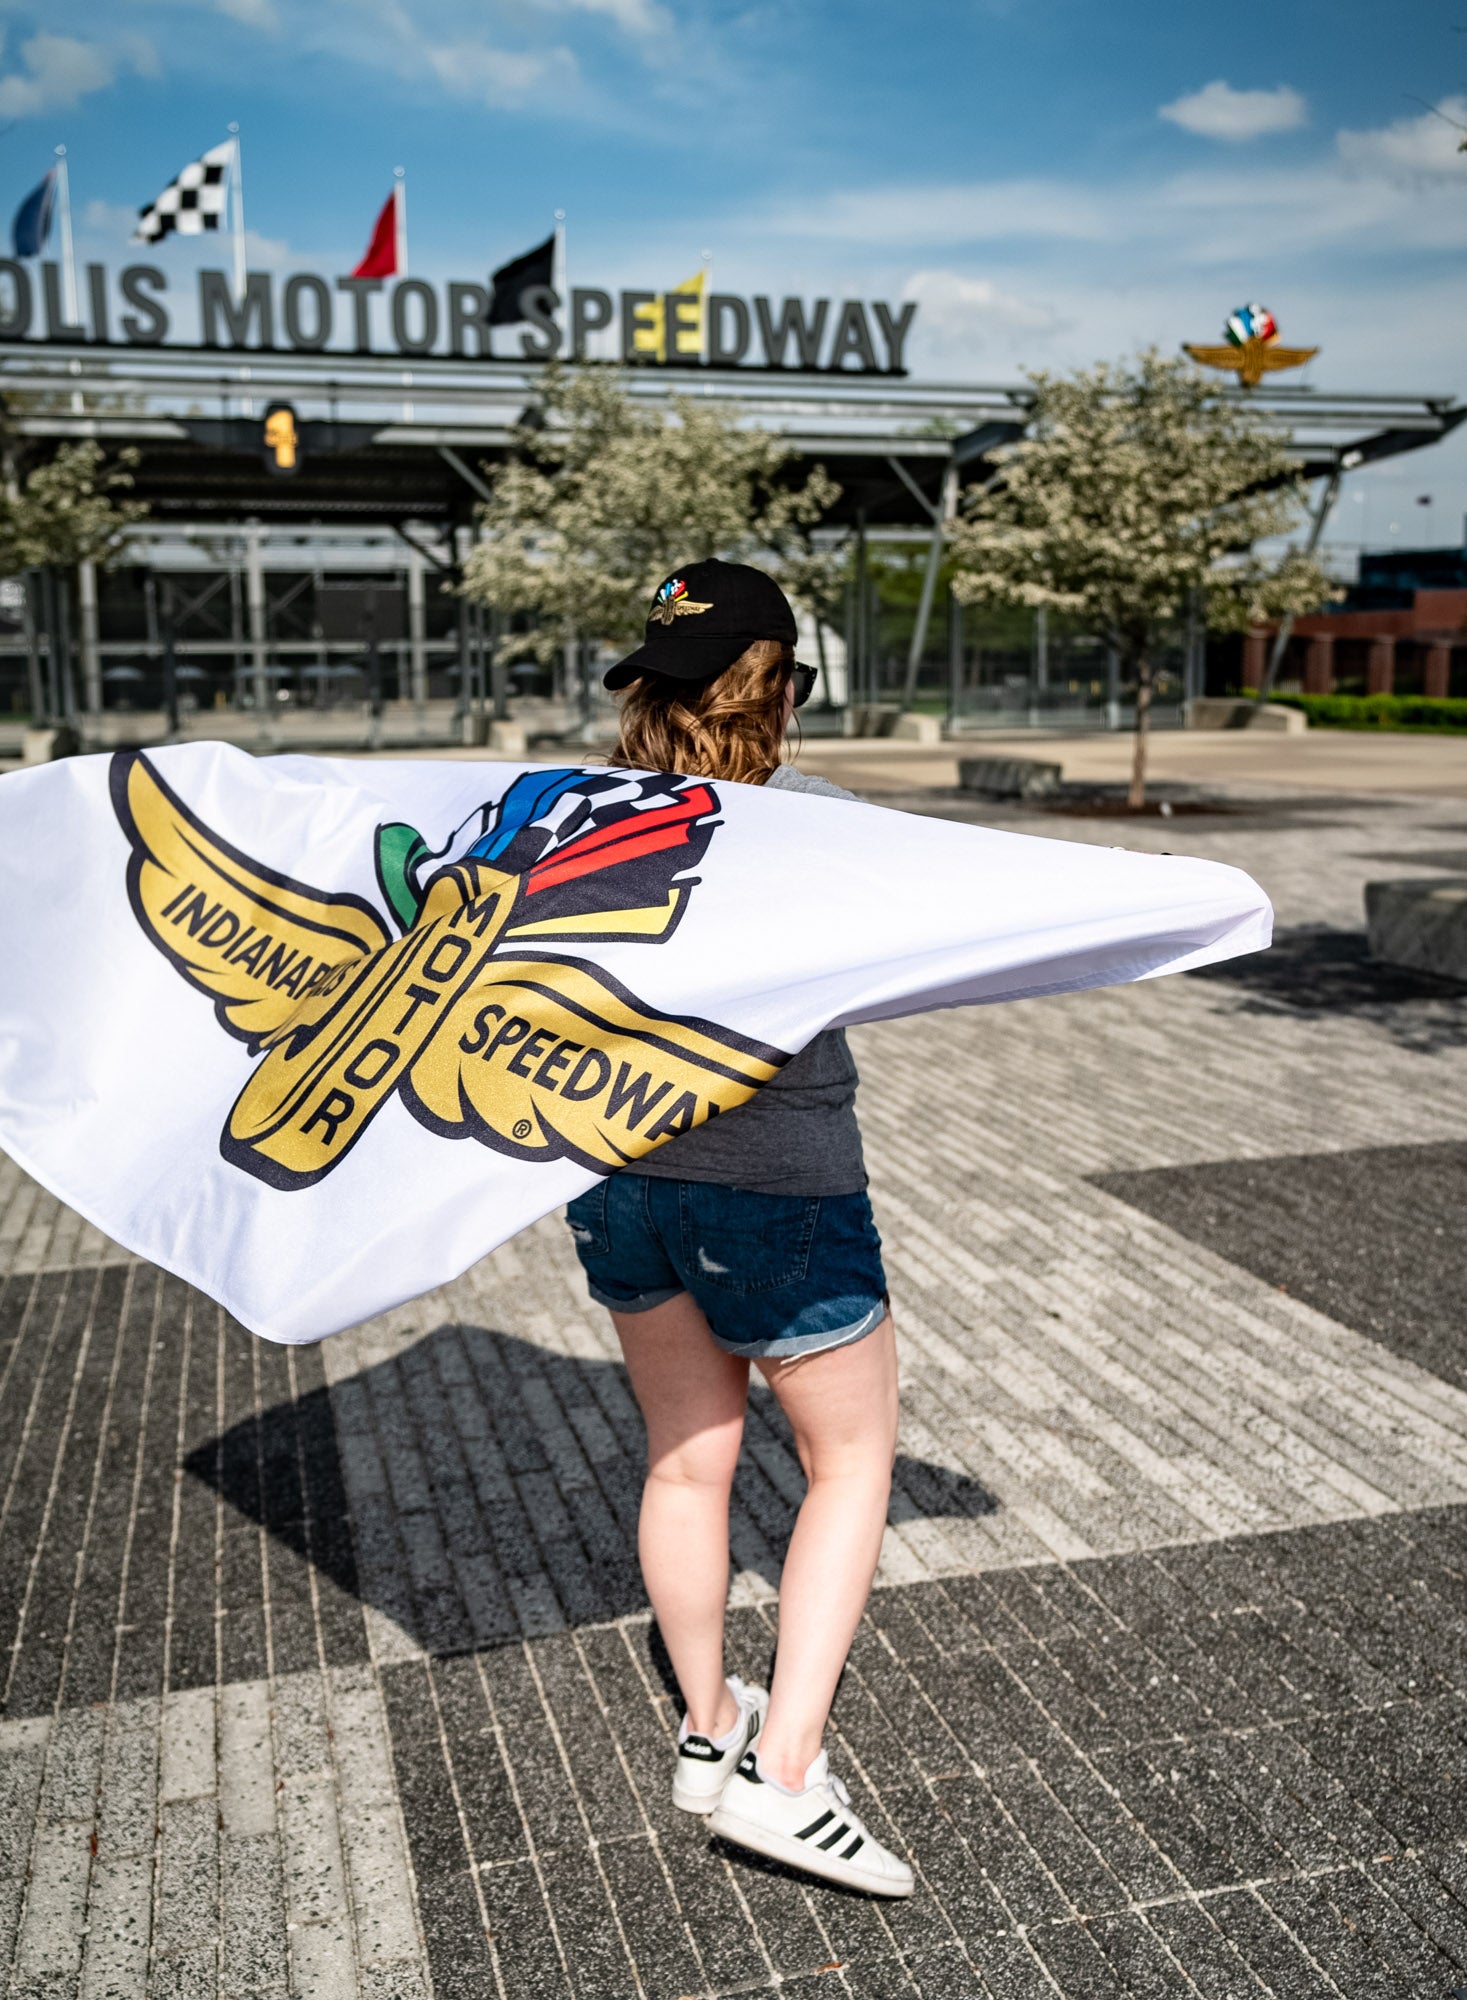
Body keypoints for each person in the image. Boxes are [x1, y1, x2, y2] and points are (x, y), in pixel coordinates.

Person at [563, 558, 914, 1898]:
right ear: (775, 686)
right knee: (852, 1462)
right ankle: (784, 1780)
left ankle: (710, 1729)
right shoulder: (812, 818)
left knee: (685, 1462)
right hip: (783, 1188)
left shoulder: (571, 813)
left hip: (618, 1177)